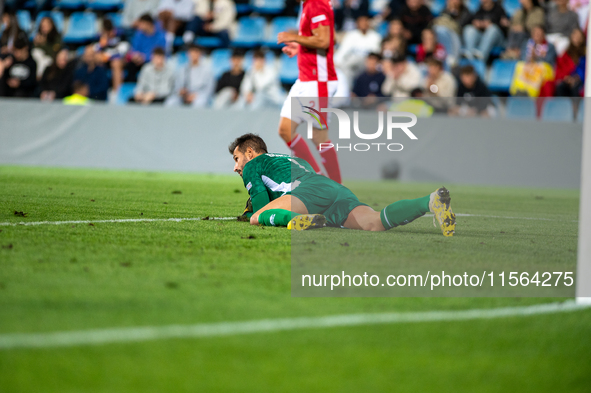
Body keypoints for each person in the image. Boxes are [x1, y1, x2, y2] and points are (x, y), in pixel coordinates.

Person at [229, 133, 456, 236]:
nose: (236, 168)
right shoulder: (292, 159)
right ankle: (430, 200)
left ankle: (299, 221)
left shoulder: (253, 165)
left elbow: (259, 208)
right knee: (375, 222)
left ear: (250, 152)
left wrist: (252, 209)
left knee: (256, 219)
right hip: (331, 188)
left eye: (237, 159)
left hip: (306, 192)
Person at [276, 0, 342, 184]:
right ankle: (317, 180)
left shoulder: (315, 4)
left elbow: (324, 40)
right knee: (285, 130)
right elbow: (329, 38)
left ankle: (340, 191)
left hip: (318, 82)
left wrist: (295, 37)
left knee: (319, 137)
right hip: (306, 79)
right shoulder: (309, 4)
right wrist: (300, 48)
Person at [333, 14, 382, 85]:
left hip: (367, 63)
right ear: (357, 23)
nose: (363, 23)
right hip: (352, 64)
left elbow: (377, 54)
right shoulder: (351, 35)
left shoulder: (376, 36)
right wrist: (336, 61)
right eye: (361, 21)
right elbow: (343, 51)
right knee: (345, 68)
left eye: (365, 21)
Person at [125, 14, 167, 82]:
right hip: (139, 61)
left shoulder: (160, 36)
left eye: (141, 24)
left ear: (148, 24)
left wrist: (145, 57)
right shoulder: (139, 34)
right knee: (131, 66)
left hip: (152, 61)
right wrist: (135, 56)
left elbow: (160, 52)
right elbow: (134, 48)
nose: (139, 26)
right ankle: (131, 87)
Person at [94, 19, 129, 93]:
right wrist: (102, 44)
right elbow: (95, 50)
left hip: (119, 60)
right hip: (105, 60)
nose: (109, 34)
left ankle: (117, 92)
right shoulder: (100, 37)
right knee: (96, 58)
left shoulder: (120, 35)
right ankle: (98, 92)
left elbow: (122, 52)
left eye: (110, 32)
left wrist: (108, 56)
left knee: (115, 63)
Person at [554, 28, 586, 96]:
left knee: (575, 87)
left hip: (580, 80)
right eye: (575, 35)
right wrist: (565, 77)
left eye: (579, 36)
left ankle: (576, 106)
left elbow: (584, 70)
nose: (577, 38)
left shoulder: (584, 53)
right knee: (560, 87)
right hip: (567, 79)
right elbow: (560, 68)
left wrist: (576, 77)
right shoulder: (566, 53)